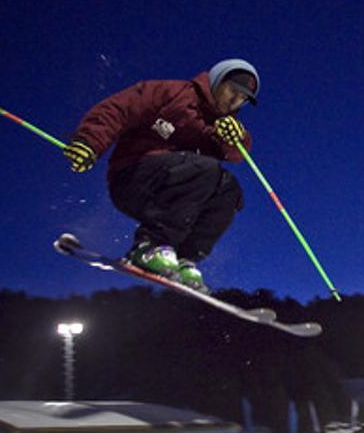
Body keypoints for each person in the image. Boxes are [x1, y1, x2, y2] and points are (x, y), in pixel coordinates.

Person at [63, 59, 260, 292]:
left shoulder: (224, 126)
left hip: (174, 198)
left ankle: (185, 258)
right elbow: (118, 108)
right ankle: (149, 247)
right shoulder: (171, 93)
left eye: (243, 98)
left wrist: (237, 140)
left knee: (229, 189)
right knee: (206, 169)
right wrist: (89, 142)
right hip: (133, 178)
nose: (235, 101)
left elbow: (236, 155)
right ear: (217, 81)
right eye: (233, 91)